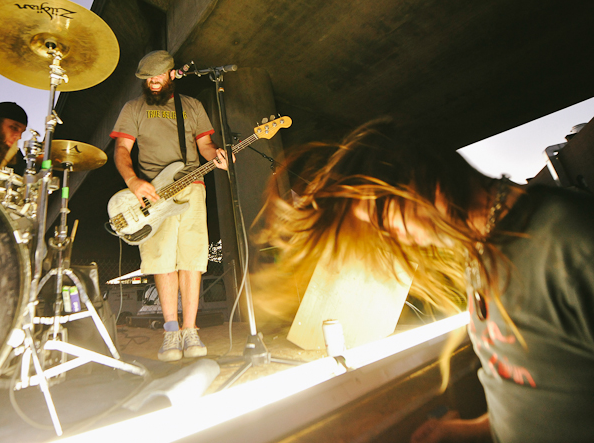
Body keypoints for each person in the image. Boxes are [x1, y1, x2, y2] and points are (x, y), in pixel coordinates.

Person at [256, 118, 594, 443]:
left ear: (419, 182)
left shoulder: (571, 240)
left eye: (380, 219)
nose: (389, 237)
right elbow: (539, 386)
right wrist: (472, 429)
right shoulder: (482, 252)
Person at [110, 50, 230, 362]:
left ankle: (190, 330)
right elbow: (122, 149)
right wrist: (134, 182)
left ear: (171, 74)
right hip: (152, 194)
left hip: (193, 188)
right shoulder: (133, 108)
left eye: (158, 76)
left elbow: (205, 145)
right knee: (162, 260)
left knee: (191, 258)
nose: (153, 82)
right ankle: (171, 331)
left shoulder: (191, 106)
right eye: (148, 78)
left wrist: (217, 156)